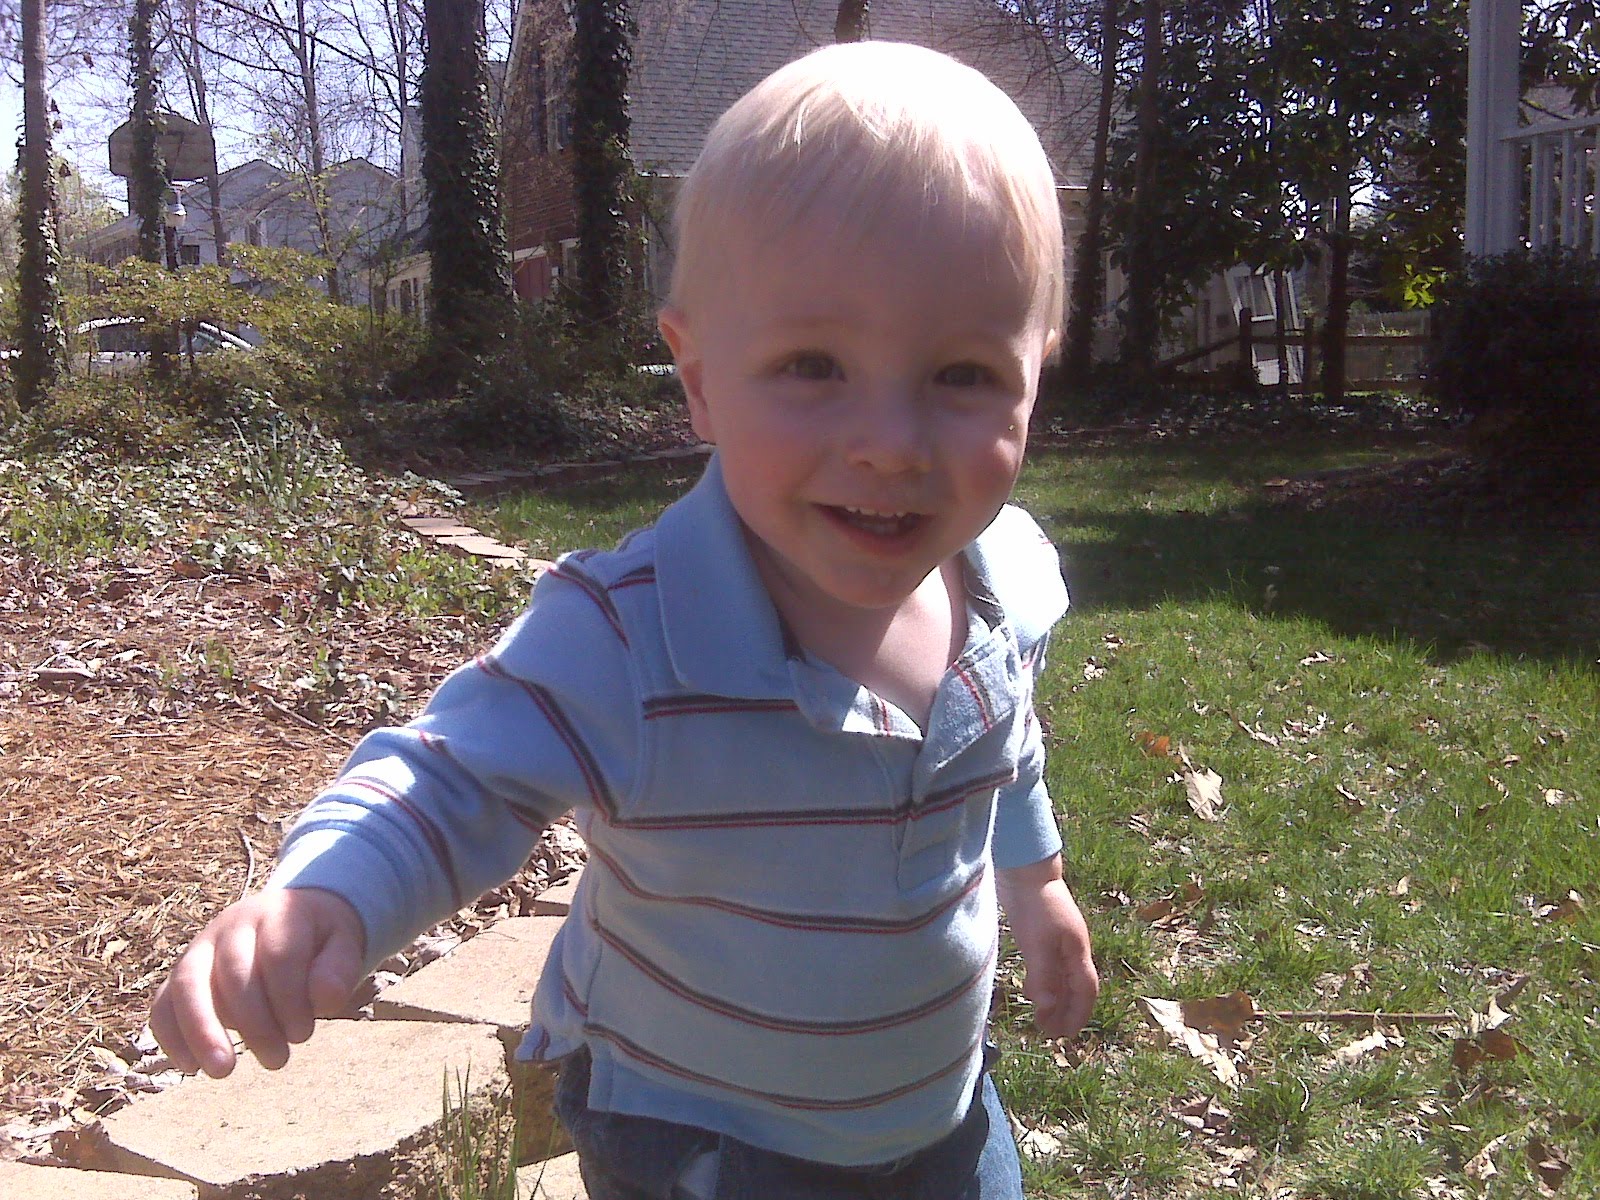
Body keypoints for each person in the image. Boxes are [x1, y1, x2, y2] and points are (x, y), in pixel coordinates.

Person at [150, 40, 1098, 1199]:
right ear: (697, 380)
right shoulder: (625, 637)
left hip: (939, 1111)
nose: (891, 444)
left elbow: (1004, 742)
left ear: (1035, 372)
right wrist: (324, 893)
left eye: (963, 376)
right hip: (707, 1141)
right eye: (814, 364)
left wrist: (1037, 883)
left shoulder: (1001, 579)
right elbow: (450, 775)